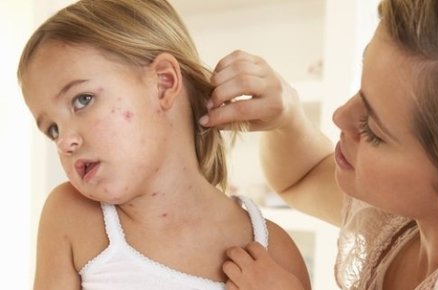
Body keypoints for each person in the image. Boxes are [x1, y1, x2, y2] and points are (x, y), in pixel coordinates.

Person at [202, 0, 438, 289]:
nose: (340, 116)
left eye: (373, 130)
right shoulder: (404, 219)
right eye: (361, 92)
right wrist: (287, 118)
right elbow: (300, 178)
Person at [17, 1, 311, 289]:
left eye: (83, 100)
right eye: (52, 129)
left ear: (163, 83)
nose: (65, 141)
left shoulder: (273, 253)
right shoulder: (72, 217)